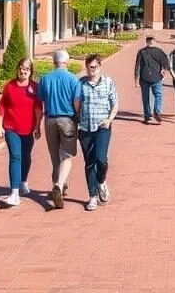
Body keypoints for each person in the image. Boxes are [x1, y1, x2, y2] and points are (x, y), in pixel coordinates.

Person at [0, 57, 43, 207]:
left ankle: (23, 182)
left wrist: (38, 127)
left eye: (27, 69)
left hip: (28, 128)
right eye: (21, 68)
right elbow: (2, 105)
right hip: (11, 128)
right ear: (17, 69)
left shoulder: (35, 88)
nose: (23, 71)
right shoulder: (9, 86)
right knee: (15, 156)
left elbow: (38, 109)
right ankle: (14, 193)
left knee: (26, 156)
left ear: (31, 72)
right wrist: (0, 126)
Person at [38, 48, 82, 209]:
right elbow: (77, 102)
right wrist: (78, 116)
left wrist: (37, 124)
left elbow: (39, 102)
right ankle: (59, 184)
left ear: (54, 62)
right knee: (67, 156)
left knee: (54, 155)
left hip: (50, 119)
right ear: (67, 62)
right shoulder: (73, 80)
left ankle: (59, 186)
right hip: (67, 119)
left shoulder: (45, 79)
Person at [78, 54, 118, 212]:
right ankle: (92, 197)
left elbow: (115, 103)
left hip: (102, 127)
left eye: (93, 67)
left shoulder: (108, 83)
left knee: (101, 159)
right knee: (89, 163)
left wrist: (109, 119)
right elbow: (76, 103)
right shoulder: (80, 83)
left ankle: (101, 181)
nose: (90, 70)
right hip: (85, 128)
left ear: (99, 67)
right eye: (88, 67)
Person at [134, 34, 174, 123]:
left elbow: (137, 66)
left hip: (147, 77)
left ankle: (148, 115)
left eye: (150, 39)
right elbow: (166, 63)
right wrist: (163, 70)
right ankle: (156, 112)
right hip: (154, 77)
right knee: (157, 95)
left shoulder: (142, 52)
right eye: (149, 39)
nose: (150, 41)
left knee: (147, 97)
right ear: (153, 41)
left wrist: (136, 79)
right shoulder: (157, 51)